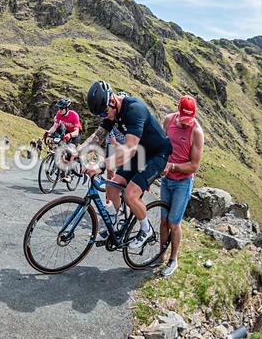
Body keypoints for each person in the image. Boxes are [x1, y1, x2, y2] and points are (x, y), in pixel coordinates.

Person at [77, 80, 173, 250]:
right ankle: (112, 224)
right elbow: (98, 136)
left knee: (130, 195)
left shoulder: (134, 109)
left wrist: (100, 165)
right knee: (112, 186)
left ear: (112, 101)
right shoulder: (111, 112)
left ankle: (146, 230)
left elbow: (128, 151)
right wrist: (77, 152)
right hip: (140, 153)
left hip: (157, 154)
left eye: (104, 113)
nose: (104, 117)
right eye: (100, 115)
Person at [158, 95, 205, 277]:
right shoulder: (169, 120)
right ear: (178, 109)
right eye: (184, 119)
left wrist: (173, 166)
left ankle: (173, 259)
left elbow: (194, 165)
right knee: (163, 220)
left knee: (174, 222)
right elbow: (163, 146)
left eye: (190, 119)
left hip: (182, 183)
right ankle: (160, 256)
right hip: (166, 179)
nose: (186, 123)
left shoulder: (196, 132)